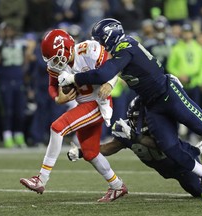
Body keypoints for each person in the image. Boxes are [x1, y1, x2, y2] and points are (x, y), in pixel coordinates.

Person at [58, 18, 202, 200]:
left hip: (168, 94)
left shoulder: (126, 47)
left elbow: (105, 73)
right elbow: (108, 73)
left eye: (100, 40)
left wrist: (74, 77)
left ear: (109, 36)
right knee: (168, 147)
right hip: (152, 103)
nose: (99, 45)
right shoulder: (119, 52)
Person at [20, 29, 128, 202]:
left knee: (57, 127)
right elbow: (52, 85)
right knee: (90, 152)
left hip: (98, 103)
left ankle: (41, 179)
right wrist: (58, 98)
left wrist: (109, 82)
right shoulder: (56, 65)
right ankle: (117, 186)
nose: (55, 63)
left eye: (56, 58)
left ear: (66, 48)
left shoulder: (89, 50)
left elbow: (114, 65)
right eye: (52, 60)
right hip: (83, 104)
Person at [67, 96, 202, 198]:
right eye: (134, 118)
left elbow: (161, 146)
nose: (138, 121)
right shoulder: (127, 131)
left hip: (181, 163)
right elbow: (109, 147)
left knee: (198, 191)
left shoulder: (158, 127)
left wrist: (136, 137)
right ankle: (199, 149)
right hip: (166, 169)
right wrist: (82, 152)